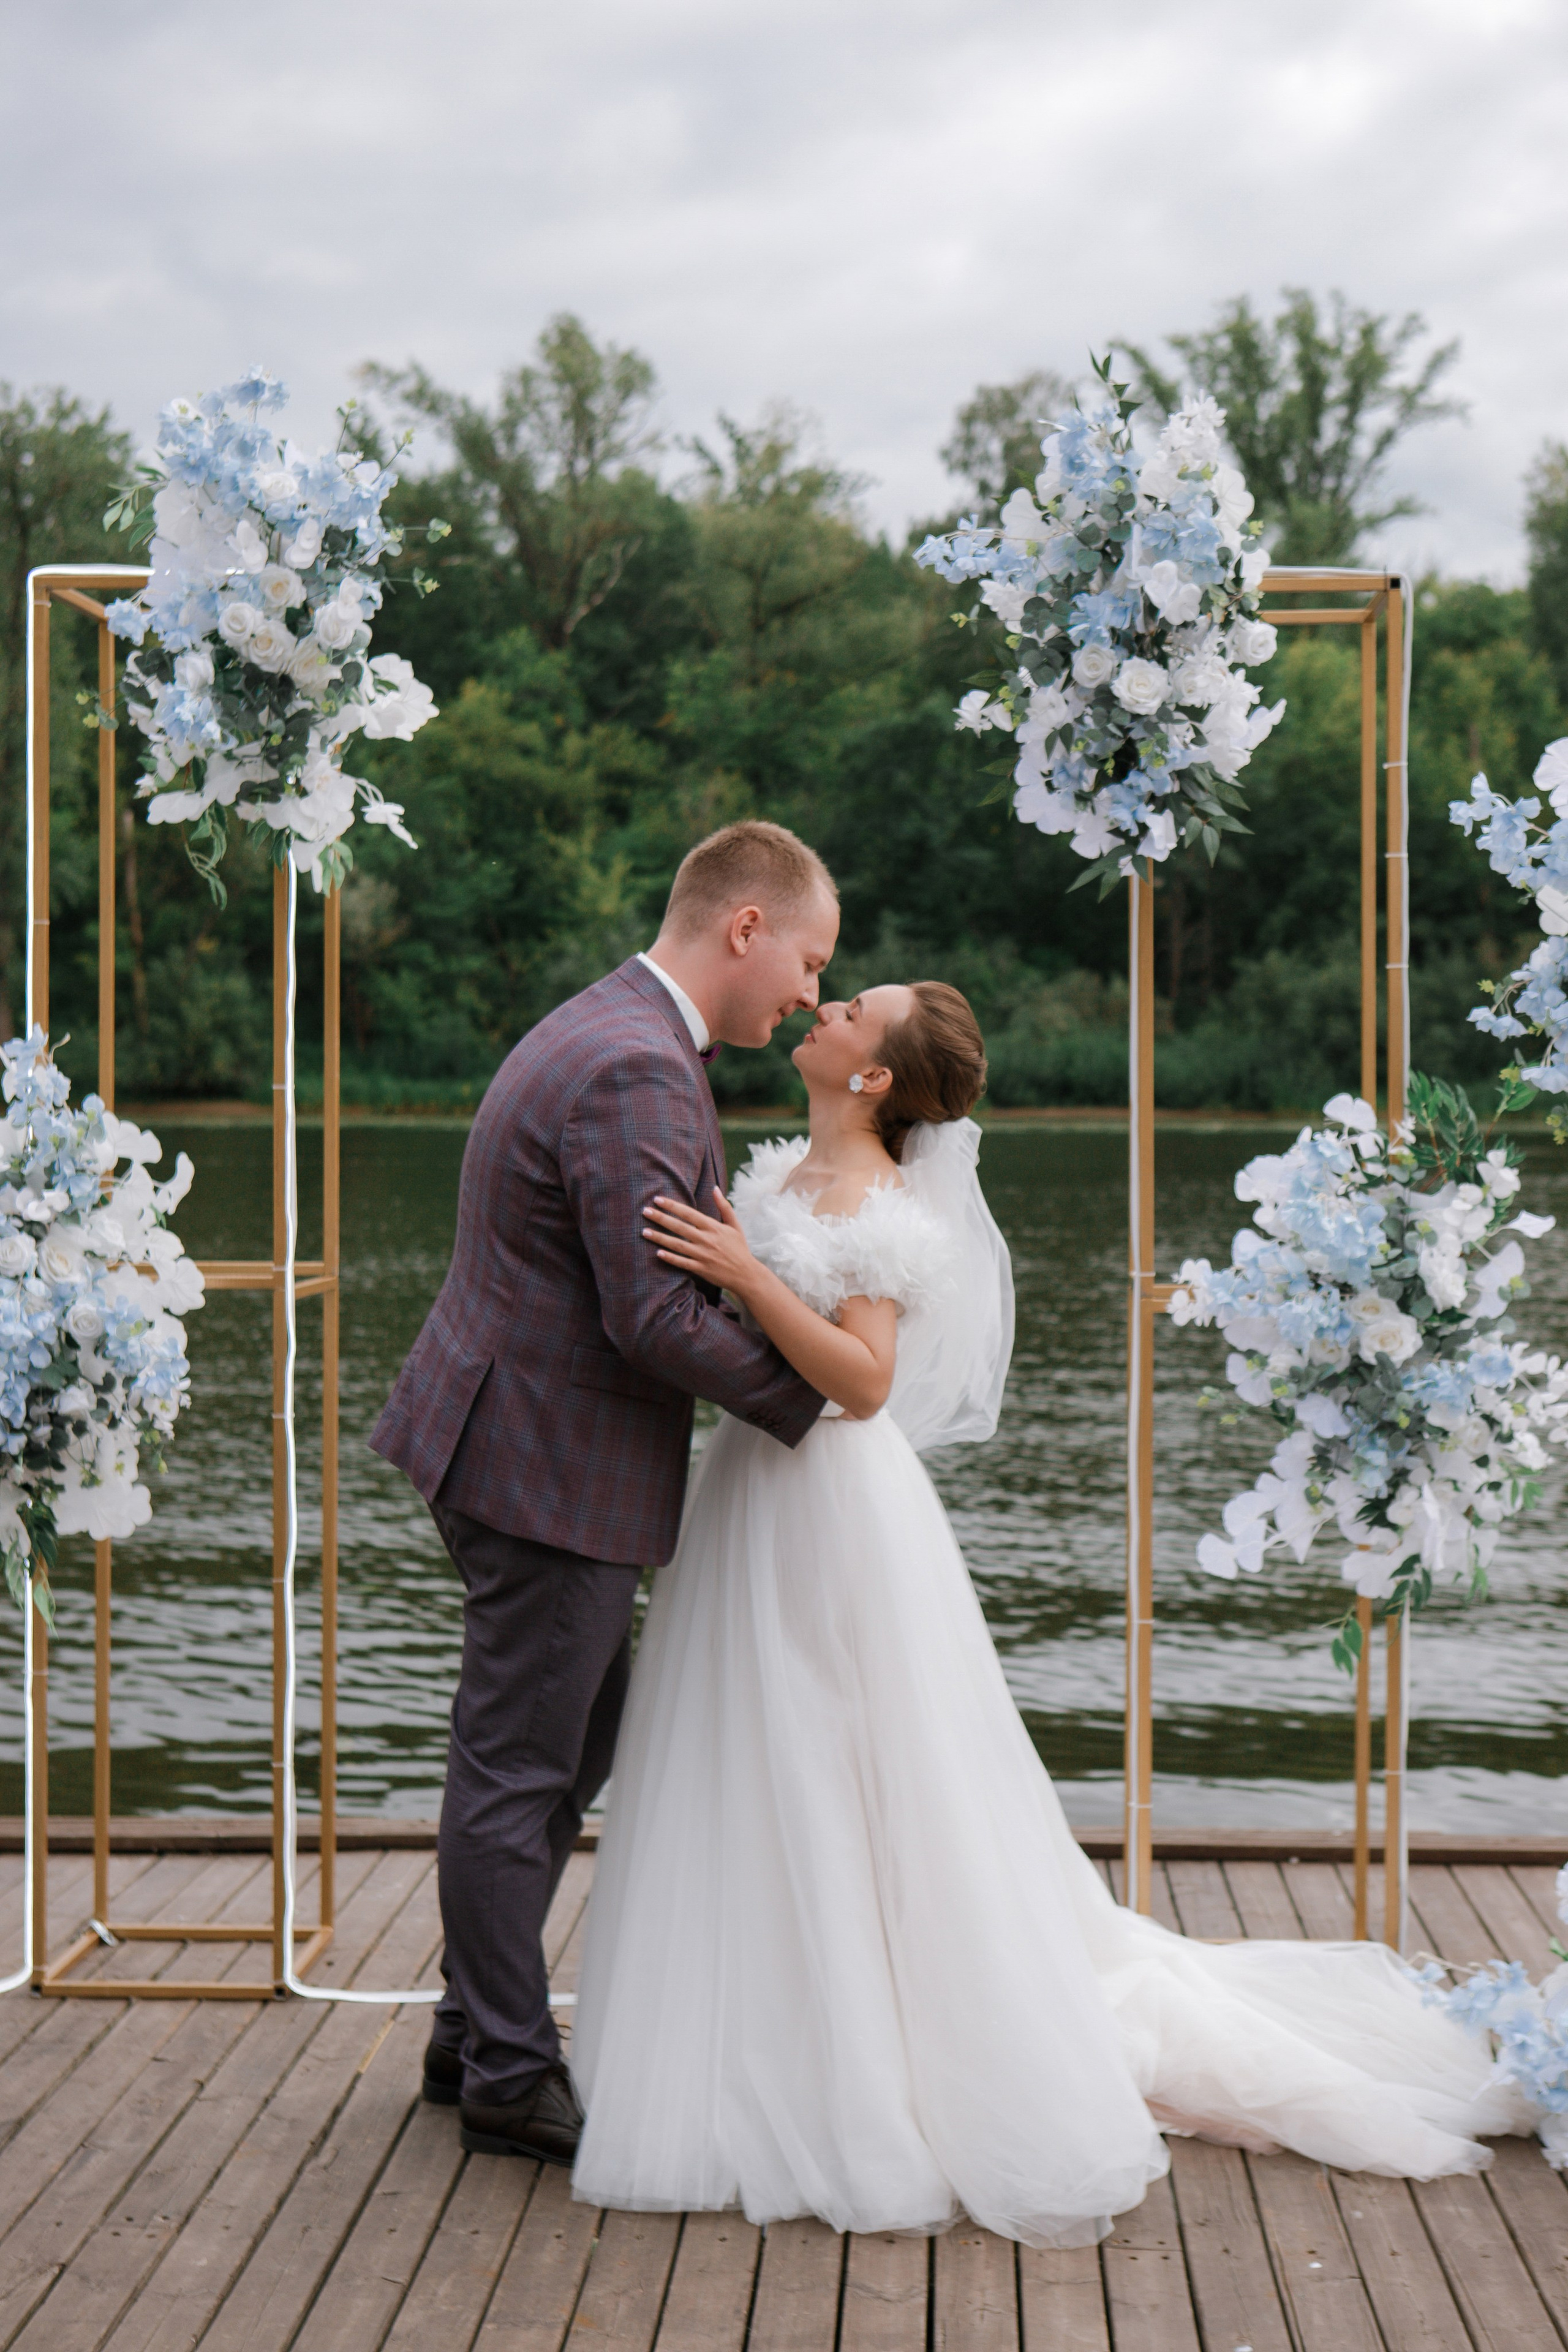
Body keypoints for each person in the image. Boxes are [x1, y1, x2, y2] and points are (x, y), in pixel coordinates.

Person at [570, 979, 1532, 2247]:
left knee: (846, 1764)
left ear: (871, 1078)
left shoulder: (876, 1203)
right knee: (752, 1761)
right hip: (750, 1489)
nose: (826, 1005)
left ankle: (868, 2062)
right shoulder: (780, 1171)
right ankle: (743, 2026)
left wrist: (747, 1271)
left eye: (852, 1009)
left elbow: (863, 1383)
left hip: (829, 1505)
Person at [370, 820, 839, 2164]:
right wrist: (818, 1403)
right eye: (808, 959)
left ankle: (473, 2030)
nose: (808, 991)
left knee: (569, 1748)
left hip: (518, 1446)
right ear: (743, 929)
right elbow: (650, 1322)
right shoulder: (637, 1067)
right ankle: (509, 2072)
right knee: (521, 1766)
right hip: (541, 1468)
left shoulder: (619, 1028)